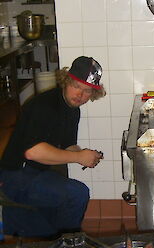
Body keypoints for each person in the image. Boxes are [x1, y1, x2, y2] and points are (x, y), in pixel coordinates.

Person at [0, 56, 106, 238]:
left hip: (37, 174)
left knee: (49, 230)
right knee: (77, 194)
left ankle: (54, 240)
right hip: (14, 177)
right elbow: (33, 152)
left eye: (87, 91)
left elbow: (68, 146)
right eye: (76, 86)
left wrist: (84, 155)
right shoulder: (45, 105)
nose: (80, 95)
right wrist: (79, 157)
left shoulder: (72, 109)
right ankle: (65, 244)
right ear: (66, 81)